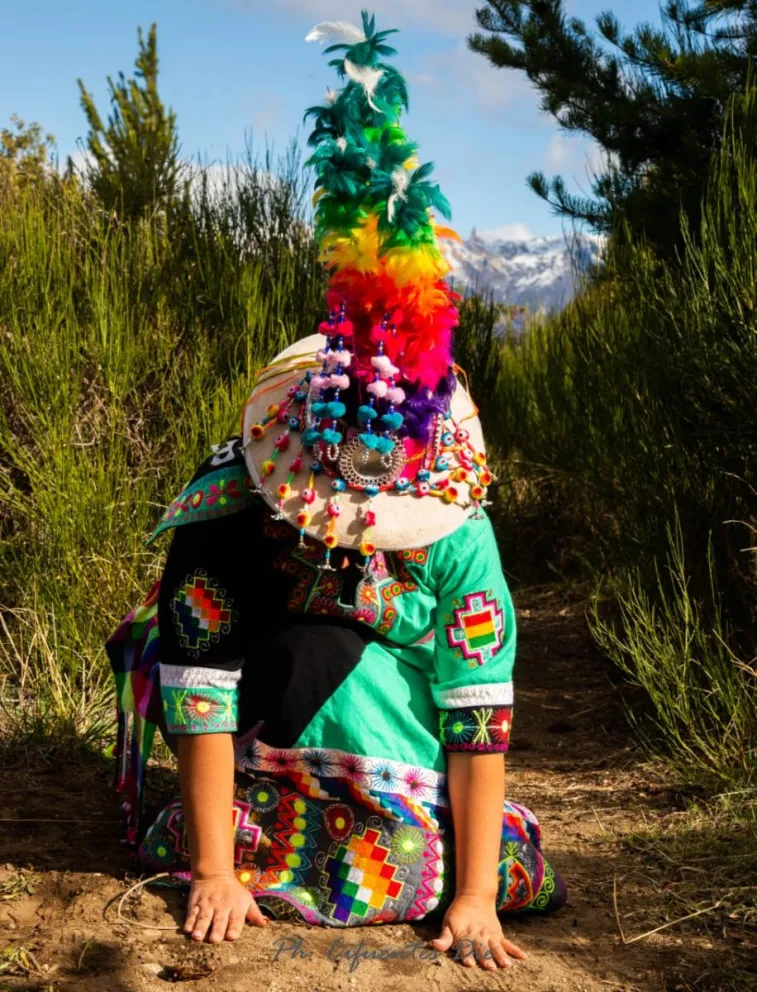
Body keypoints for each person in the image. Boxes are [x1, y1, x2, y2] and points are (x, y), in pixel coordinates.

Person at [106, 11, 567, 972]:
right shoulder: (226, 512)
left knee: (466, 869)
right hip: (261, 736)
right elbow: (200, 684)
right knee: (228, 832)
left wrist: (475, 896)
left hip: (403, 750)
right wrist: (213, 871)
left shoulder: (459, 531)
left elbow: (474, 708)